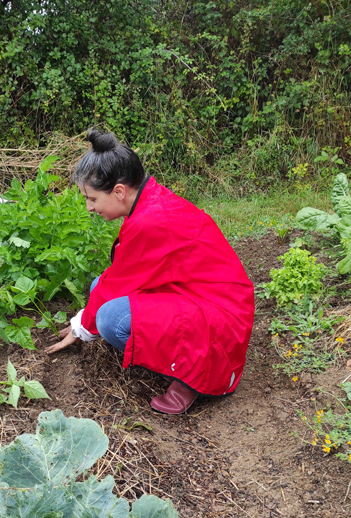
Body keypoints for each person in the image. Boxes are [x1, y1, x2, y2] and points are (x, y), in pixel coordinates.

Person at [44, 129, 255, 414]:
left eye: (92, 199)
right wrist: (83, 322)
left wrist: (83, 327)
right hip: (197, 295)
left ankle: (193, 377)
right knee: (97, 287)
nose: (89, 207)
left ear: (119, 191)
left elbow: (118, 282)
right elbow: (118, 277)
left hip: (219, 320)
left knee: (110, 320)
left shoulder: (151, 221)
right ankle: (173, 355)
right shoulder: (149, 202)